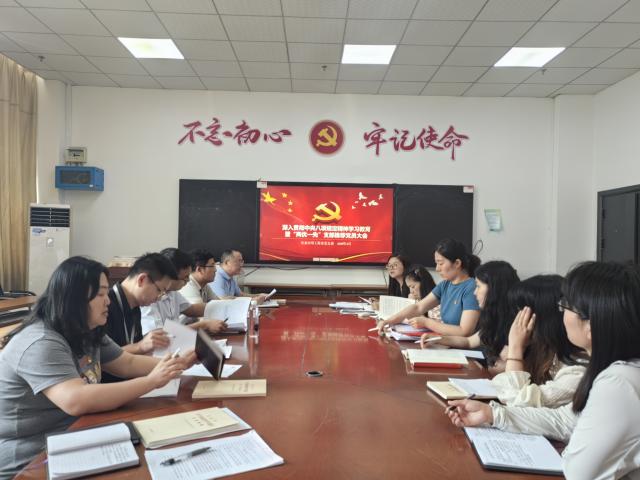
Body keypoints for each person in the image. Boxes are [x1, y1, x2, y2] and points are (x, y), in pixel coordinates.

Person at [0, 257, 194, 478]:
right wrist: (151, 382)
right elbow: (77, 399)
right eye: (101, 294)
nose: (108, 301)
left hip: (75, 435)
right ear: (75, 298)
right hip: (29, 460)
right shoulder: (41, 341)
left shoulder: (87, 329)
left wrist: (175, 364)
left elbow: (127, 363)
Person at [446, 261, 640, 480]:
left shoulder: (619, 383)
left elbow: (577, 471)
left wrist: (516, 348)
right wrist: (492, 414)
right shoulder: (614, 370)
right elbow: (565, 420)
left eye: (565, 305)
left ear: (590, 324)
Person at [488, 275, 586, 407]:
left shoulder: (577, 370)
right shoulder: (543, 348)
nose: (517, 320)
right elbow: (498, 373)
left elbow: (519, 404)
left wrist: (516, 347)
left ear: (544, 319)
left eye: (522, 312)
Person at [421, 260, 519, 368]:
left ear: (494, 289)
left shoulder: (516, 324)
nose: (475, 292)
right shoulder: (494, 318)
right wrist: (437, 339)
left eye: (478, 286)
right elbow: (469, 341)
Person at [378, 238, 480, 336]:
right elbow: (418, 307)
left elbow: (464, 331)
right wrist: (389, 321)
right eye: (436, 263)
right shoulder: (445, 285)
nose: (437, 268)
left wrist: (427, 322)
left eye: (441, 263)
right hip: (447, 341)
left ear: (457, 263)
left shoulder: (472, 288)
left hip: (461, 346)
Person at [140, 248, 226, 337]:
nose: (188, 280)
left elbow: (192, 309)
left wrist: (224, 306)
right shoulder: (149, 298)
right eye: (185, 277)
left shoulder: (173, 292)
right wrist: (204, 325)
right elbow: (157, 337)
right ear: (170, 275)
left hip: (177, 341)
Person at [105, 252, 177, 355]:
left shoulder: (135, 307)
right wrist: (140, 346)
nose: (159, 298)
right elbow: (99, 357)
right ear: (142, 280)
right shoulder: (105, 305)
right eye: (159, 290)